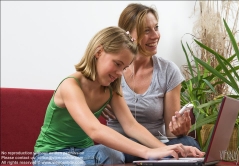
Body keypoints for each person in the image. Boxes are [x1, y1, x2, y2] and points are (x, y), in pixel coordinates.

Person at [32, 26, 204, 166]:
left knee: (113, 155)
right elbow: (95, 130)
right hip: (50, 154)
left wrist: (169, 149)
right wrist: (148, 152)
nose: (120, 73)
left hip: (84, 152)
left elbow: (131, 126)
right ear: (99, 52)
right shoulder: (70, 85)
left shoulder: (110, 89)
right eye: (117, 64)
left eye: (124, 67)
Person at [102, 3, 201, 163]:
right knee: (114, 153)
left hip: (157, 143)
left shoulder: (168, 71)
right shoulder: (113, 69)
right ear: (127, 35)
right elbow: (80, 97)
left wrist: (178, 130)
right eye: (146, 31)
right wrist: (96, 105)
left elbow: (170, 132)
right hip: (120, 146)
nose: (155, 35)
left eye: (156, 28)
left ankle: (159, 156)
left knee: (189, 143)